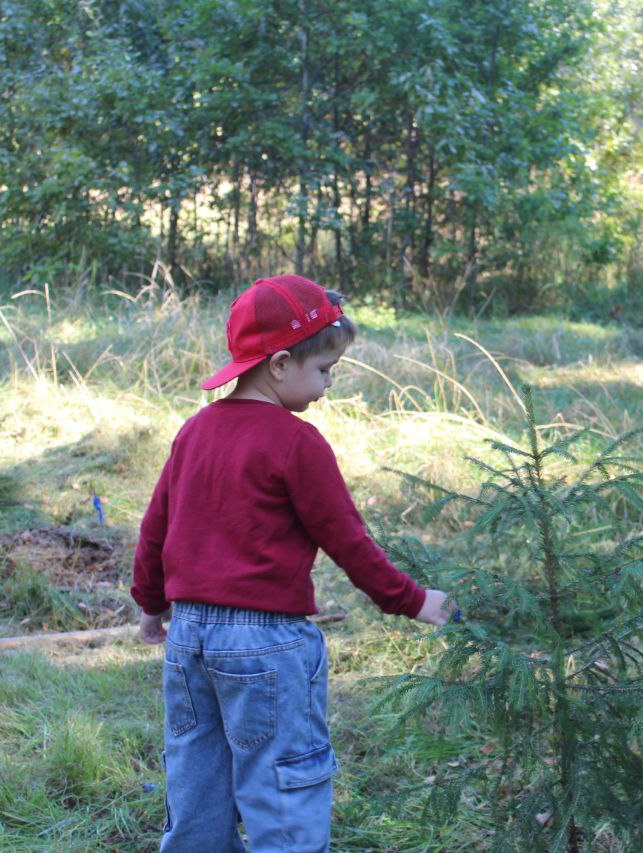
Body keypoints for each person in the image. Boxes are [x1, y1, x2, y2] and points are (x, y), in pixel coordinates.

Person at [132, 274, 458, 852]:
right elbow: (347, 540)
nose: (328, 385)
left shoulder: (195, 430)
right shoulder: (297, 442)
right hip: (267, 644)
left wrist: (152, 605)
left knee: (196, 778)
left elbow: (157, 527)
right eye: (325, 370)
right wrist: (410, 599)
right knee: (283, 784)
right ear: (280, 365)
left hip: (189, 639)